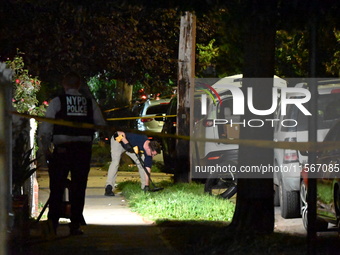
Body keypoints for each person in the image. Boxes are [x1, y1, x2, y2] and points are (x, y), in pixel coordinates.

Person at [39, 71, 106, 236]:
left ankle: (53, 224)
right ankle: (75, 224)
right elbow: (100, 124)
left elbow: (46, 128)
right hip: (82, 151)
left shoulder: (57, 102)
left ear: (64, 85)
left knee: (57, 187)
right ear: (78, 85)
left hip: (62, 151)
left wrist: (45, 148)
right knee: (79, 187)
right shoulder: (90, 103)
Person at [104, 131, 161, 196]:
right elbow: (119, 133)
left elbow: (147, 168)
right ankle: (109, 187)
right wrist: (126, 143)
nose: (152, 156)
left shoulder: (149, 153)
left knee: (141, 164)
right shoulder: (137, 137)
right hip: (118, 141)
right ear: (148, 148)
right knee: (115, 162)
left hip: (131, 147)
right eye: (152, 154)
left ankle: (144, 188)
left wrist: (147, 185)